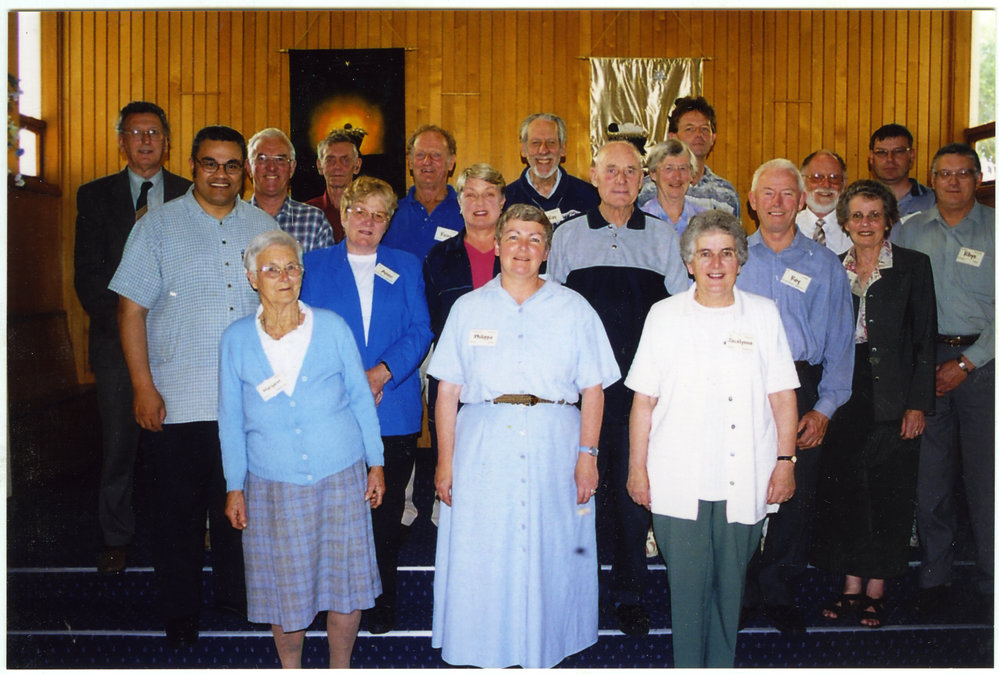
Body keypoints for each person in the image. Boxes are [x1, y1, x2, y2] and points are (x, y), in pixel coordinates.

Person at [429, 203, 620, 668]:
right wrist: (444, 461)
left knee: (553, 548)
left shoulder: (573, 308)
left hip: (556, 440)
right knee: (484, 548)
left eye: (534, 239)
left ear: (547, 252)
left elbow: (593, 390)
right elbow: (447, 392)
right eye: (513, 236)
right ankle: (483, 649)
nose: (522, 248)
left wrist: (587, 455)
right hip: (482, 442)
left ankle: (547, 646)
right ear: (495, 245)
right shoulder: (468, 308)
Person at [110, 125, 277, 647]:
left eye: (231, 165)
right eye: (210, 163)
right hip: (177, 402)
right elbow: (130, 309)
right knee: (177, 520)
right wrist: (143, 387)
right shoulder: (156, 228)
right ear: (193, 165)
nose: (221, 174)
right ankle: (180, 616)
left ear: (243, 171)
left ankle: (237, 599)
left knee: (241, 512)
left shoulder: (263, 226)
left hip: (247, 403)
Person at [627, 210, 799, 667]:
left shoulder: (763, 314)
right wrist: (637, 469)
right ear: (689, 263)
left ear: (740, 261)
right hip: (676, 478)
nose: (716, 263)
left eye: (726, 252)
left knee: (730, 591)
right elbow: (643, 401)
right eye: (705, 253)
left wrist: (786, 461)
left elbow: (782, 395)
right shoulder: (663, 316)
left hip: (745, 474)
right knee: (685, 592)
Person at [219, 229, 385, 668]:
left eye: (291, 267)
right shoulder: (235, 340)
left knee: (346, 587)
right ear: (253, 278)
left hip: (341, 474)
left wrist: (377, 463)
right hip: (273, 484)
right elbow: (230, 422)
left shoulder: (330, 326)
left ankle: (339, 666)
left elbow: (360, 399)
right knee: (285, 593)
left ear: (302, 274)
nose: (283, 276)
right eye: (271, 269)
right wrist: (235, 487)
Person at [548, 140, 688, 636]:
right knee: (579, 494)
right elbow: (553, 311)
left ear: (642, 178)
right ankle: (575, 593)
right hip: (582, 391)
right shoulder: (566, 235)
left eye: (631, 171)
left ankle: (628, 594)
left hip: (638, 394)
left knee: (632, 498)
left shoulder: (663, 238)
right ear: (593, 174)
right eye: (612, 170)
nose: (622, 179)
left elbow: (679, 313)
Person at [300, 176, 433, 635]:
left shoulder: (406, 264)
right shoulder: (312, 265)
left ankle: (380, 602)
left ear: (389, 221)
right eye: (360, 211)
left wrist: (379, 373)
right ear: (344, 210)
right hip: (330, 408)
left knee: (385, 511)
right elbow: (302, 332)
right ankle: (327, 600)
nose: (368, 222)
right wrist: (347, 383)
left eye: (380, 215)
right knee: (330, 511)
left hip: (391, 405)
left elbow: (420, 330)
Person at [736, 158, 854, 634]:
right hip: (741, 383)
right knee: (743, 488)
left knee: (794, 496)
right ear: (752, 201)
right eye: (769, 193)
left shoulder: (824, 265)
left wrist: (825, 408)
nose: (778, 202)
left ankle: (780, 590)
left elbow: (842, 344)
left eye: (788, 193)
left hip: (802, 384)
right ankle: (741, 592)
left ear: (801, 201)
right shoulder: (733, 258)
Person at [812, 180, 936, 628]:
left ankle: (877, 589)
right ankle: (849, 587)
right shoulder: (828, 268)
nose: (865, 223)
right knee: (846, 489)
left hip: (894, 392)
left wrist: (917, 404)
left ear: (889, 221)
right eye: (857, 215)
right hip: (844, 389)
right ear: (844, 222)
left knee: (889, 491)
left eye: (875, 215)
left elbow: (925, 340)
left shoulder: (913, 266)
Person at [74, 100, 191, 575]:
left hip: (181, 340)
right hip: (118, 340)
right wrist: (132, 324)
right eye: (136, 133)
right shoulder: (95, 196)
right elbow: (88, 278)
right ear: (121, 140)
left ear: (167, 141)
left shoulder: (190, 192)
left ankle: (188, 527)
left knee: (185, 443)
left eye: (155, 133)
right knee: (120, 442)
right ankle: (116, 535)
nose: (146, 141)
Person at [894, 143, 995, 618]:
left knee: (986, 476)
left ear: (978, 178)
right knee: (930, 475)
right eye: (945, 174)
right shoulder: (909, 233)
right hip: (927, 362)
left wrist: (968, 362)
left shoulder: (995, 231)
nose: (953, 182)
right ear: (930, 179)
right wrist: (921, 365)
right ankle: (935, 575)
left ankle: (992, 578)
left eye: (964, 173)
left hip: (985, 362)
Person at [637, 96, 740, 217]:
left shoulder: (726, 192)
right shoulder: (648, 188)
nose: (699, 134)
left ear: (713, 138)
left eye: (705, 129)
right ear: (672, 137)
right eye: (690, 129)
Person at [381, 125, 464, 259]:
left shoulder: (467, 213)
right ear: (410, 162)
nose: (427, 161)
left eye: (436, 155)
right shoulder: (389, 212)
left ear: (451, 162)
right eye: (420, 155)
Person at [504, 113, 599, 227]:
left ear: (563, 148)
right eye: (535, 143)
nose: (543, 150)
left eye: (551, 142)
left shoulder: (591, 196)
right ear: (523, 149)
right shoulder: (506, 200)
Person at [247, 127, 333, 252]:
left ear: (292, 168)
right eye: (262, 159)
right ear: (249, 167)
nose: (271, 167)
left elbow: (324, 270)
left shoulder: (314, 221)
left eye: (280, 160)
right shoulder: (234, 220)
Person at [638, 138, 709, 236]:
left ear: (692, 175)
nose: (677, 176)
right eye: (669, 168)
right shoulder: (640, 222)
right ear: (653, 174)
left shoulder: (705, 222)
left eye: (683, 168)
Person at [869, 123, 935, 222]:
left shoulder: (934, 201)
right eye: (881, 152)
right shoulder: (855, 202)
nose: (890, 159)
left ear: (912, 155)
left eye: (899, 151)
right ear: (871, 157)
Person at [306, 128, 363, 243]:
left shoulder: (368, 211)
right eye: (330, 160)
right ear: (319, 166)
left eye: (345, 160)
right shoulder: (308, 213)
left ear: (357, 165)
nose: (337, 166)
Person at [795, 150, 851, 254]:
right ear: (802, 182)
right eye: (816, 177)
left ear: (844, 184)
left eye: (834, 178)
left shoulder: (856, 229)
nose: (826, 185)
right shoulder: (789, 226)